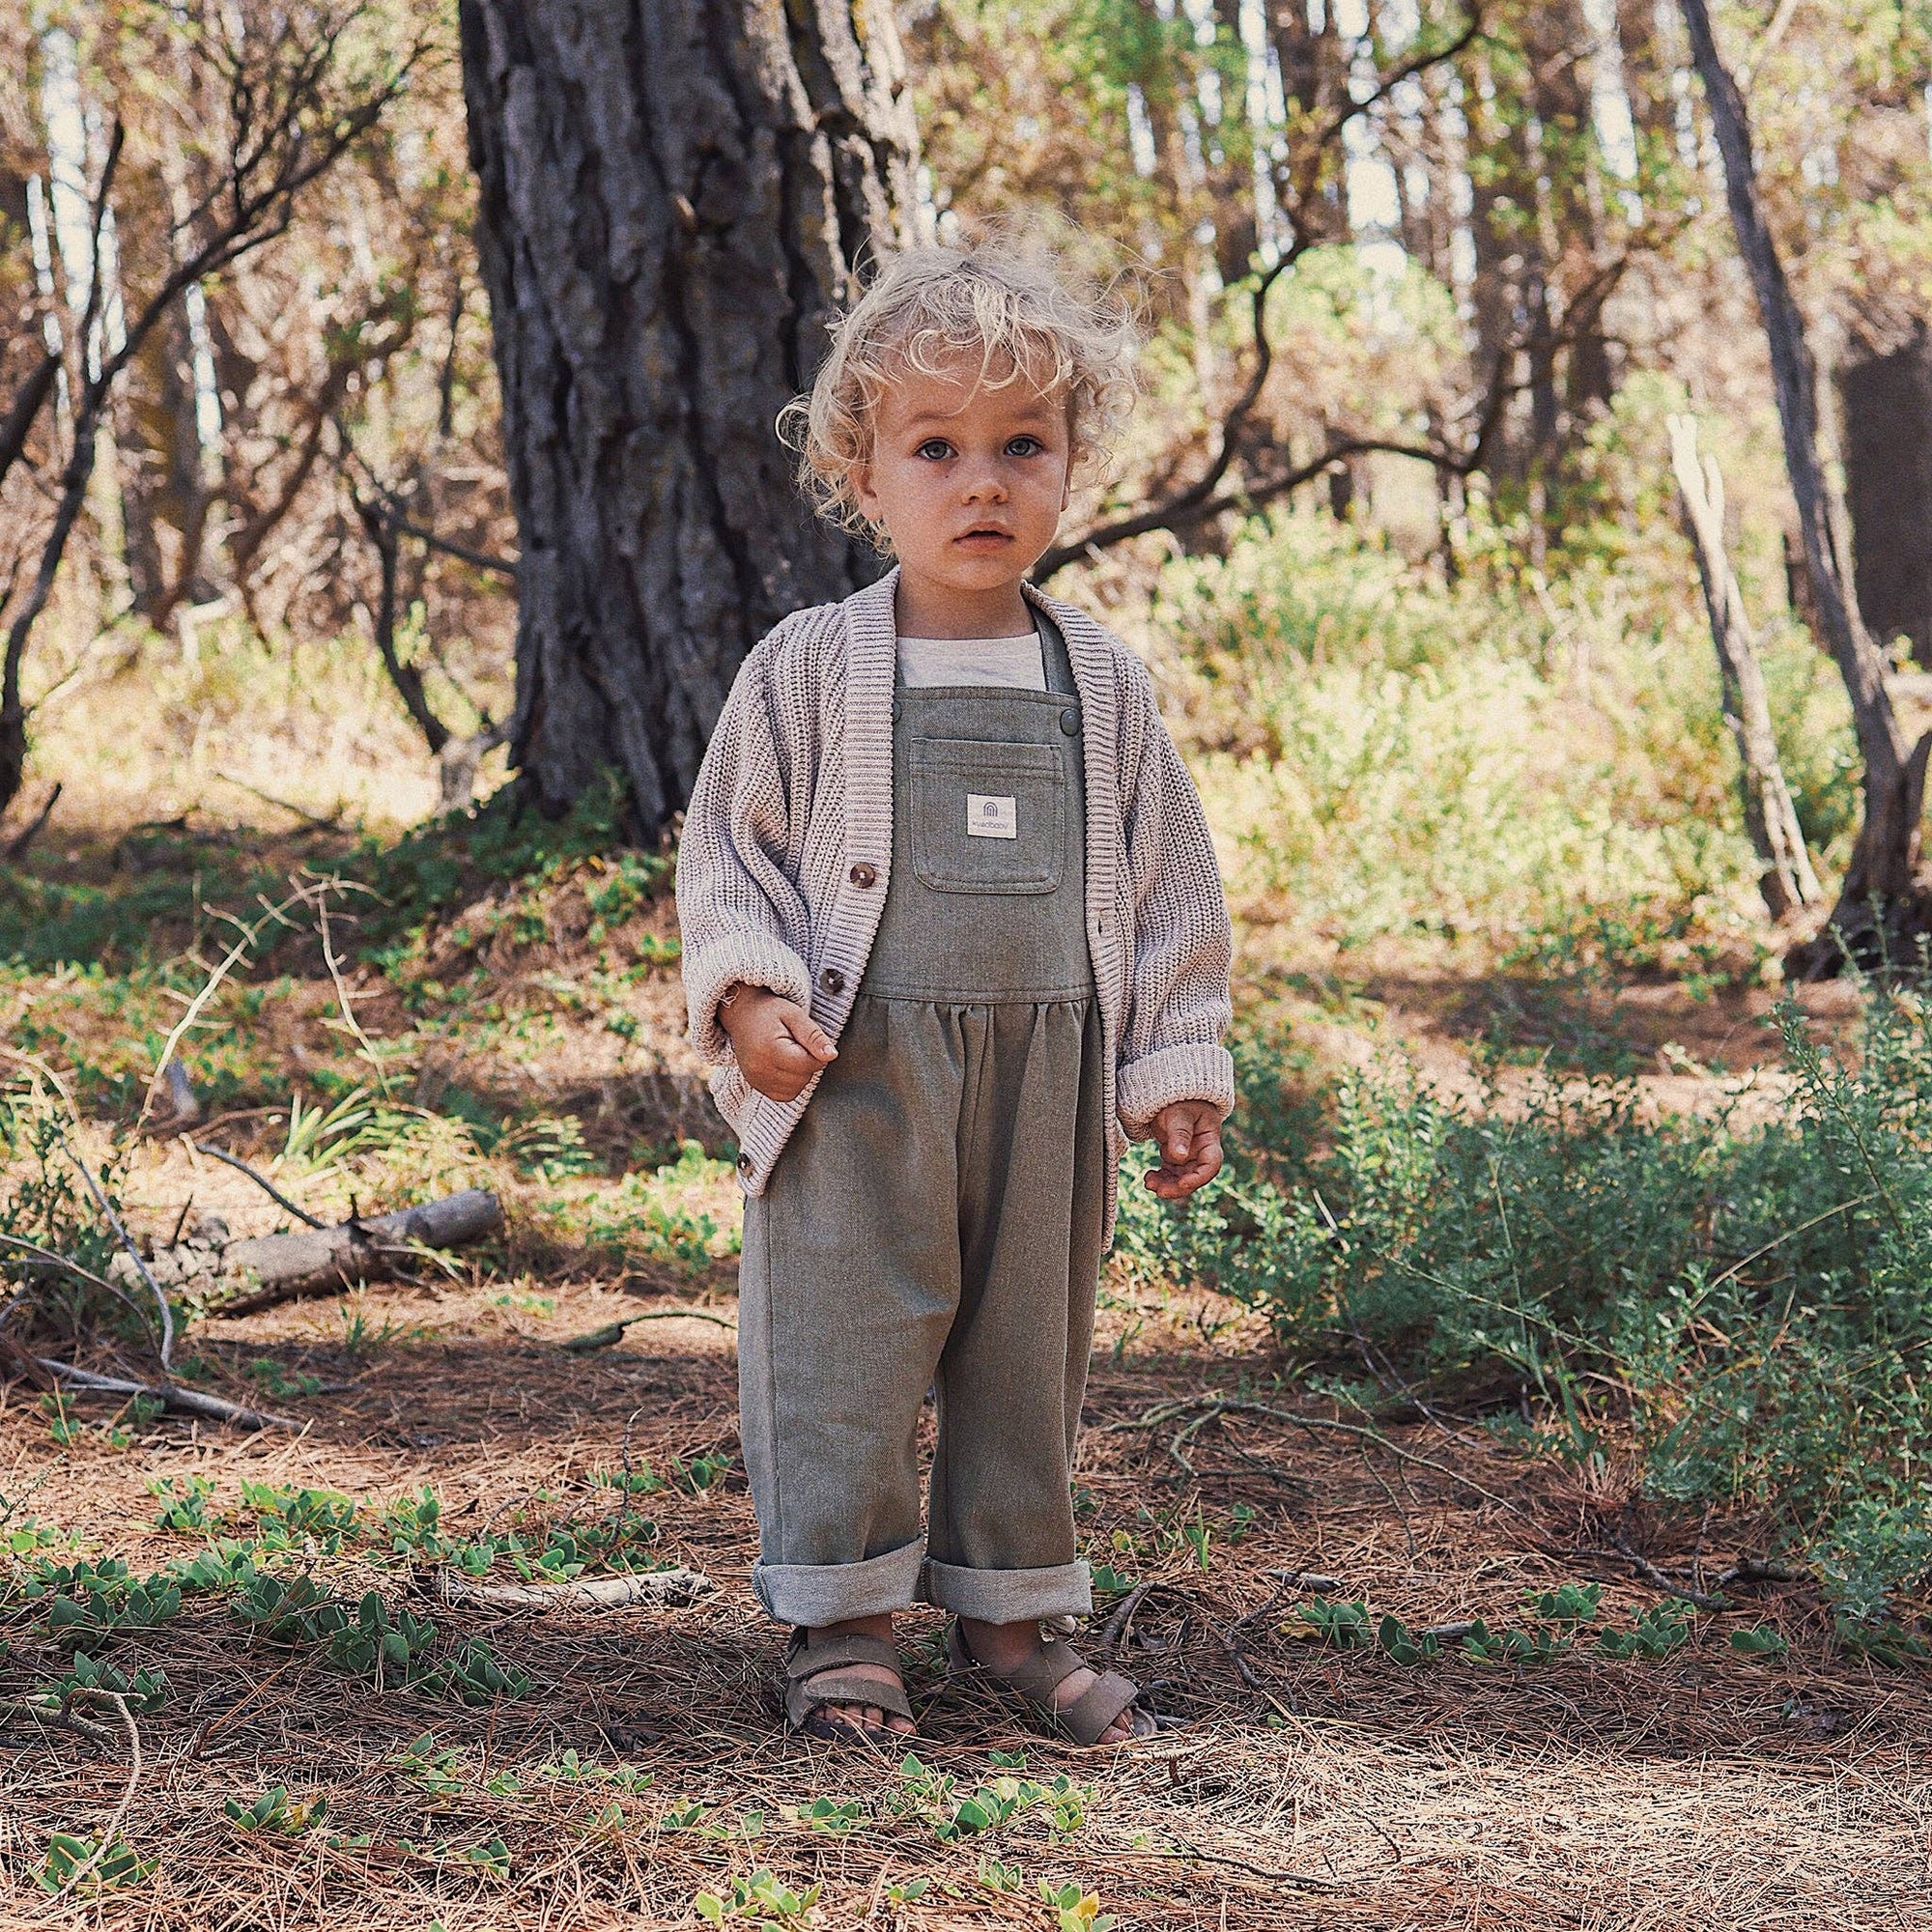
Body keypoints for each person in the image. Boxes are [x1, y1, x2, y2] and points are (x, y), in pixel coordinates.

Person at [675, 238, 1234, 1748]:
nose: (980, 483)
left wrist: (1177, 1059)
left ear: (1071, 468)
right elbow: (731, 854)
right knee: (844, 1338)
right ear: (864, 475)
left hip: (1048, 1079)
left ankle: (1013, 1615)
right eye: (936, 449)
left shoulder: (1101, 682)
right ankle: (846, 1623)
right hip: (855, 1079)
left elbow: (1171, 883)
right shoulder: (807, 670)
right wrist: (745, 998)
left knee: (1024, 1348)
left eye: (1020, 447)